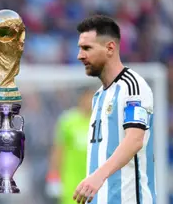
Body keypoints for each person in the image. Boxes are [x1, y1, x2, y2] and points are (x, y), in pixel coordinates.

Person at [73, 15, 156, 204]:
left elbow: (135, 139)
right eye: (79, 48)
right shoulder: (98, 96)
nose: (80, 55)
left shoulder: (132, 87)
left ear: (110, 48)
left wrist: (98, 177)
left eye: (87, 48)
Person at [46, 88, 94, 204]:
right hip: (71, 181)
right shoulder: (68, 121)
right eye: (89, 98)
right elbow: (58, 150)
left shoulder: (99, 121)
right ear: (81, 98)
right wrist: (53, 176)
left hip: (94, 181)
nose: (91, 102)